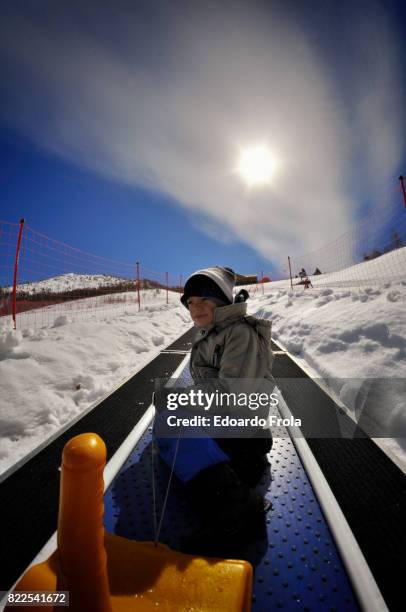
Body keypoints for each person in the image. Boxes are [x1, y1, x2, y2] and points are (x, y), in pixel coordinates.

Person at [155, 266, 274, 556]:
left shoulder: (240, 334)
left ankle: (239, 507)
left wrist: (183, 402)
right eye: (190, 303)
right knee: (166, 416)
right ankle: (217, 474)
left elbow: (231, 396)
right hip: (225, 424)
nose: (195, 308)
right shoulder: (210, 333)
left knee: (172, 421)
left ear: (221, 300)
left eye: (203, 300)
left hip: (246, 434)